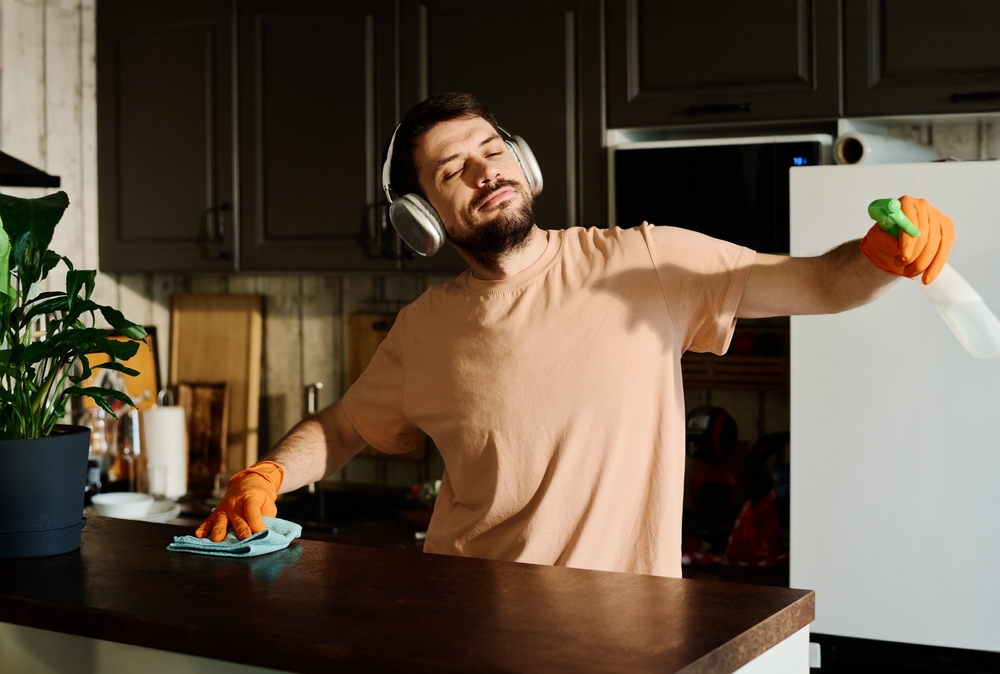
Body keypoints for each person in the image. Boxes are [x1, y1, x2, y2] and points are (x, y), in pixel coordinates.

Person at [196, 93, 954, 578]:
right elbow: (343, 426)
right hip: (464, 629)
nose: (484, 171)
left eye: (491, 149)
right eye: (453, 170)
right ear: (421, 221)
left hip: (627, 637)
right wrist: (267, 474)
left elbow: (820, 283)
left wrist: (880, 256)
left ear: (521, 161)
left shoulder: (643, 260)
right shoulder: (422, 329)